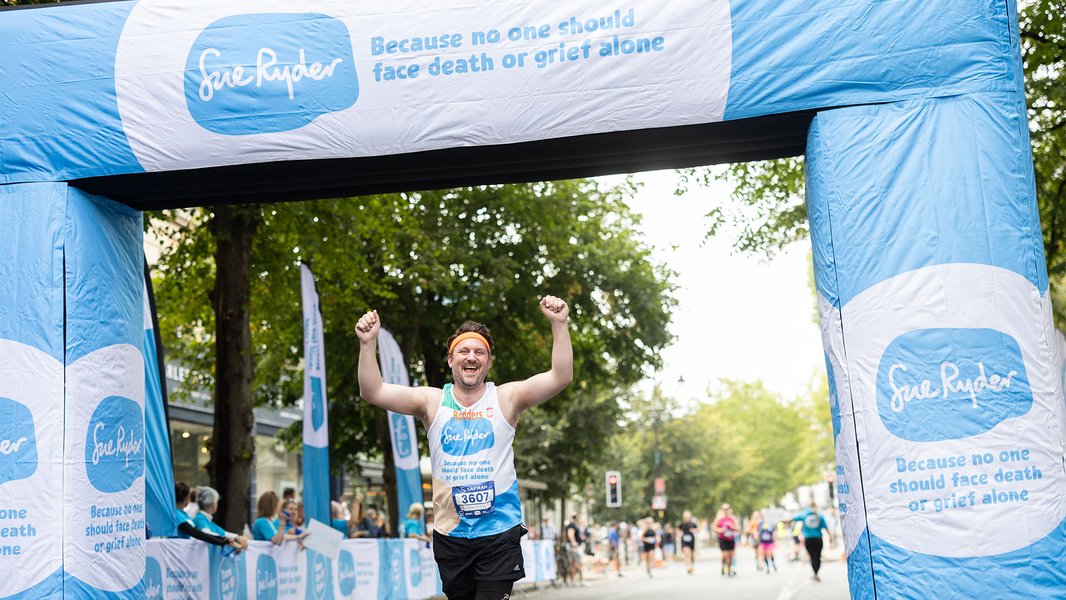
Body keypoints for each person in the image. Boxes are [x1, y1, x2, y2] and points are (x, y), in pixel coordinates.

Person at [356, 296, 572, 600]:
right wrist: (368, 344)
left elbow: (560, 377)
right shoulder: (430, 402)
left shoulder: (506, 398)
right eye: (464, 351)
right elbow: (373, 391)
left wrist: (559, 325)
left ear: (488, 361)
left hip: (499, 532)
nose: (471, 357)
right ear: (450, 359)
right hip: (451, 534)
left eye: (479, 352)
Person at [173, 482, 241, 550]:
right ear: (186, 498)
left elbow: (200, 533)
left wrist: (223, 539)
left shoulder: (184, 514)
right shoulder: (177, 514)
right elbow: (196, 533)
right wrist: (222, 542)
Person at [192, 486, 249, 553]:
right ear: (213, 504)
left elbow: (223, 533)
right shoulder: (200, 519)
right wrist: (233, 539)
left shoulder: (207, 520)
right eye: (216, 502)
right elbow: (207, 533)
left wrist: (237, 537)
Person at [792, 504, 833, 581]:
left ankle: (815, 573)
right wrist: (830, 540)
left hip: (808, 539)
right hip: (818, 539)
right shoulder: (820, 516)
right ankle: (816, 573)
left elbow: (794, 518)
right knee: (817, 556)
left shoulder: (804, 515)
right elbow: (826, 529)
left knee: (812, 556)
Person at [713, 504, 738, 577]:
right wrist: (720, 530)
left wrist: (732, 527)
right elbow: (714, 527)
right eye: (724, 509)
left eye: (727, 509)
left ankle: (729, 568)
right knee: (724, 555)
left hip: (731, 538)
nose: (726, 510)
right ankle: (724, 566)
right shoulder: (719, 518)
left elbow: (738, 527)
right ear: (722, 510)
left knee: (730, 556)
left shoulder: (732, 518)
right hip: (722, 538)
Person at [565, 514, 587, 587]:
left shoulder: (572, 525)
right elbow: (570, 534)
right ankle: (579, 580)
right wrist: (573, 542)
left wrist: (581, 538)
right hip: (574, 547)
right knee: (577, 564)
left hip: (571, 546)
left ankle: (573, 581)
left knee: (572, 564)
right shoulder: (572, 525)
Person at [678, 510, 698, 574]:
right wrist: (679, 533)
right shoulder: (682, 524)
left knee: (692, 555)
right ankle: (688, 567)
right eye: (685, 517)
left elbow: (697, 530)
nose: (686, 518)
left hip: (691, 541)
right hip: (684, 541)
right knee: (687, 553)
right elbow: (678, 530)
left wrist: (694, 530)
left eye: (688, 516)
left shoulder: (693, 524)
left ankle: (691, 565)